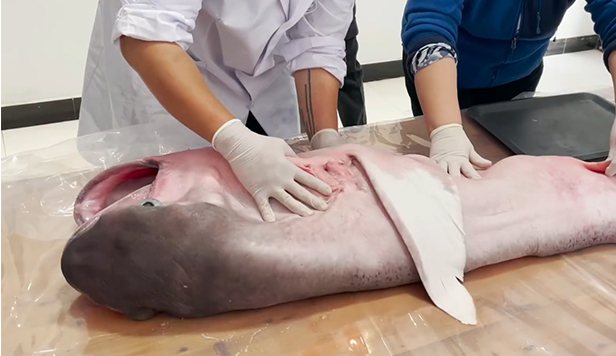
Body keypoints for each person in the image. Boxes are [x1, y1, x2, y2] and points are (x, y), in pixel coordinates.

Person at [78, 0, 357, 223]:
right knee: (160, 221)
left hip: (267, 77)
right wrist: (236, 141)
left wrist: (324, 139)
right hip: (171, 68)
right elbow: (149, 36)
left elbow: (317, 43)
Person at [400, 0, 616, 178]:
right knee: (443, 168)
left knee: (506, 161)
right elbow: (430, 22)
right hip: (443, 76)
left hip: (520, 73)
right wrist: (444, 130)